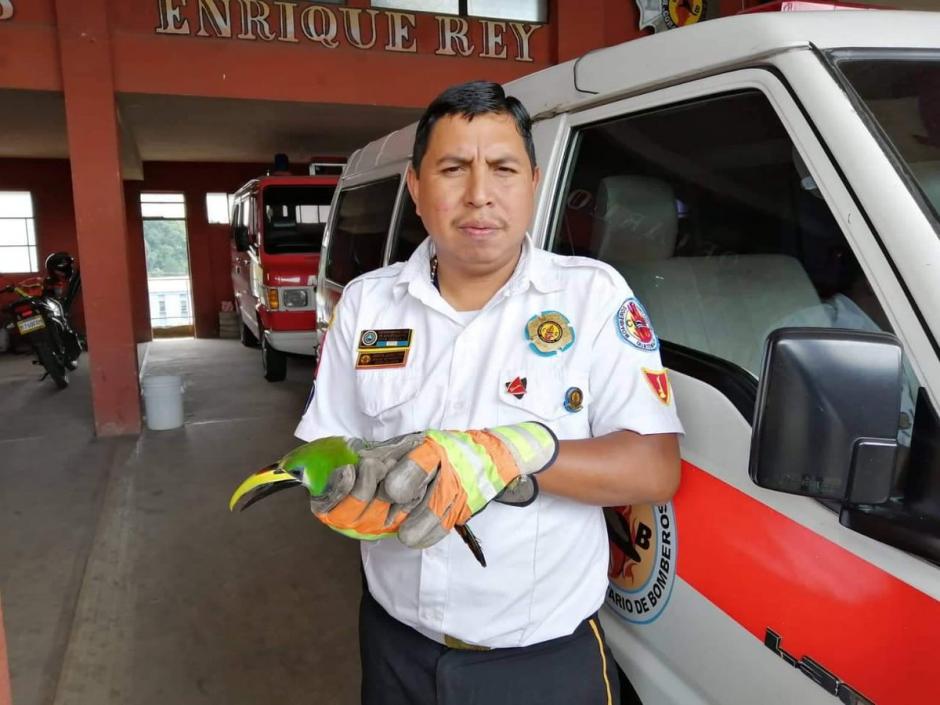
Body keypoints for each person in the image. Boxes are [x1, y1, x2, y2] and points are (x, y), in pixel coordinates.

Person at [295, 80, 683, 705]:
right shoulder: (369, 302)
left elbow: (654, 468)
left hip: (540, 666)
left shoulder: (593, 297)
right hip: (395, 646)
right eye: (452, 169)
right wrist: (339, 491)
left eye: (502, 169)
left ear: (532, 181)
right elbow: (327, 443)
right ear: (417, 188)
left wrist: (505, 453)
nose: (479, 195)